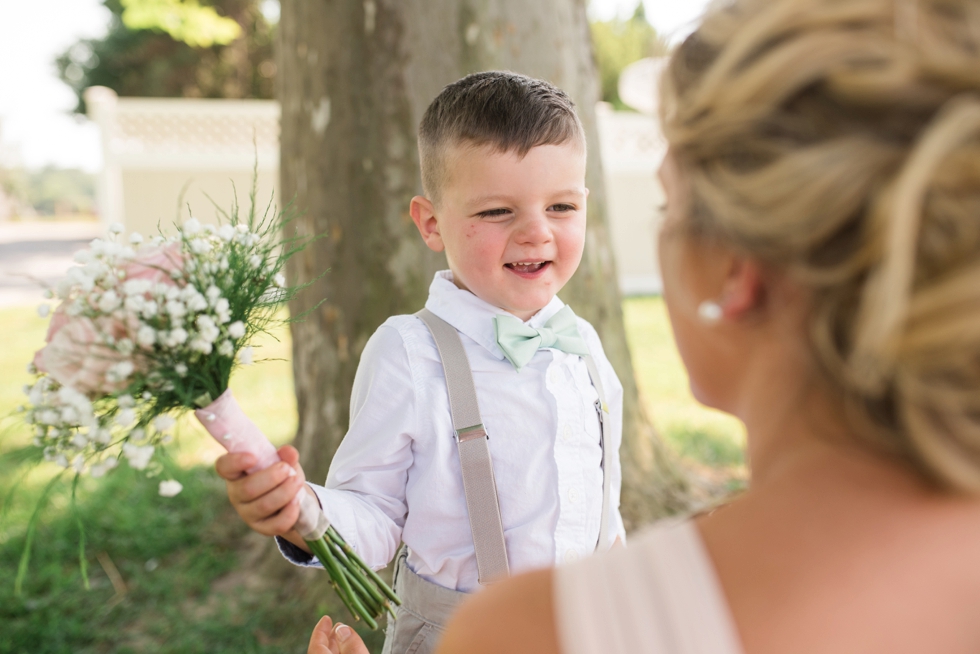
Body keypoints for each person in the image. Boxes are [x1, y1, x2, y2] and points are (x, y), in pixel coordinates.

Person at [216, 71, 627, 654]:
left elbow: (601, 513)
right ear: (431, 222)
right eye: (496, 212)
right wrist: (302, 511)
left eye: (561, 206)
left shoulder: (582, 345)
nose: (536, 233)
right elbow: (375, 515)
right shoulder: (410, 353)